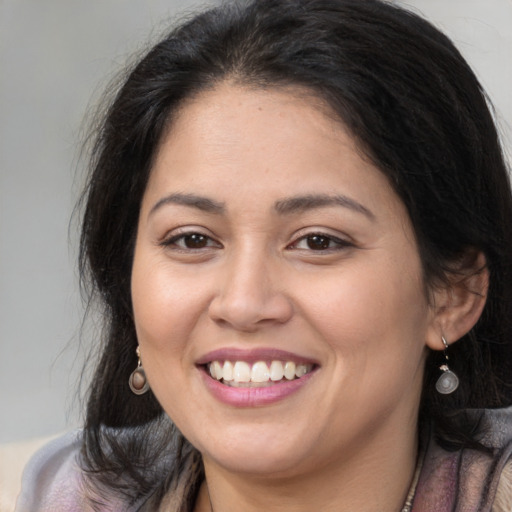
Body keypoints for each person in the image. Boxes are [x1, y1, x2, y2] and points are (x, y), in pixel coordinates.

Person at [15, 0, 512, 510]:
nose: (244, 303)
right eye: (193, 239)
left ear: (453, 293)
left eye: (318, 241)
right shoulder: (71, 494)